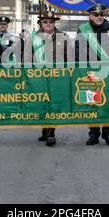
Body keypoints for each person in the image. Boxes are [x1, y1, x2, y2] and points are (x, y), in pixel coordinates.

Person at [76, 4, 109, 146]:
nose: (99, 17)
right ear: (90, 16)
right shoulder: (83, 30)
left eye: (101, 14)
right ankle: (93, 134)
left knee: (108, 103)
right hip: (89, 73)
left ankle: (107, 134)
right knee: (92, 102)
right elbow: (78, 51)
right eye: (96, 15)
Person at [29, 10, 70, 146]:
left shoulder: (63, 37)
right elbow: (25, 56)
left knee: (52, 104)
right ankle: (44, 129)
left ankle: (51, 133)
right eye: (45, 21)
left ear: (54, 23)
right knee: (41, 103)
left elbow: (69, 57)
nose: (48, 24)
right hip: (38, 76)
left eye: (51, 22)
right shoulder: (32, 37)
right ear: (41, 22)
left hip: (56, 78)